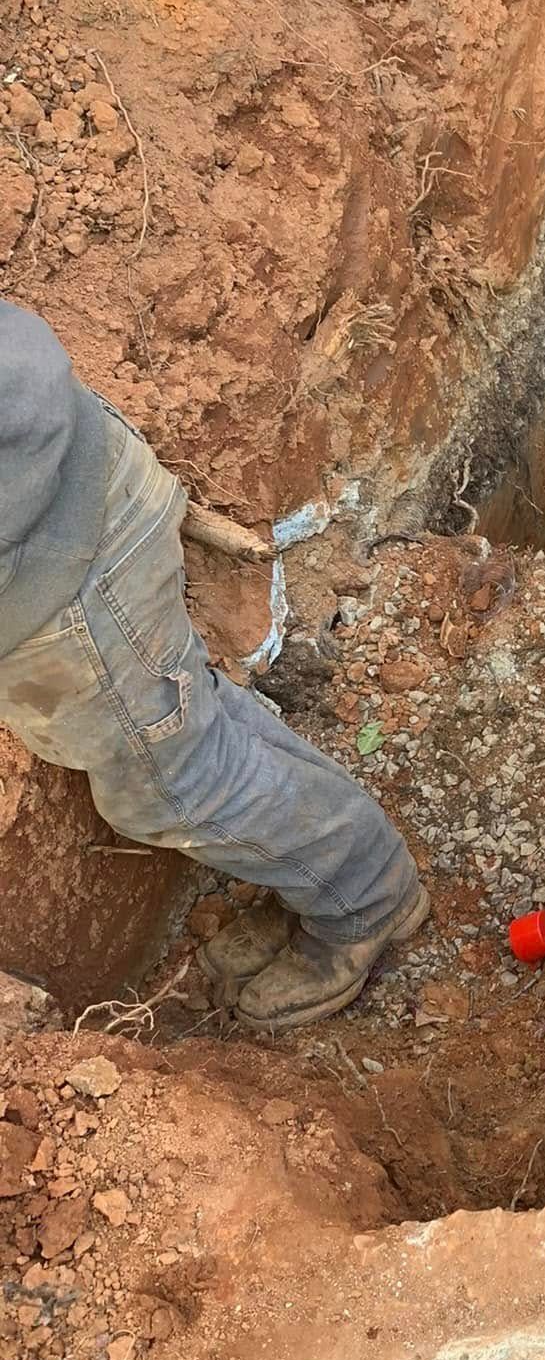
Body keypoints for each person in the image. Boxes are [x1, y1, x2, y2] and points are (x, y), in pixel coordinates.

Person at [0, 299, 427, 1029]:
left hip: (65, 572)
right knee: (191, 729)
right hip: (67, 486)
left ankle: (366, 896)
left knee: (174, 784)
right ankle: (327, 872)